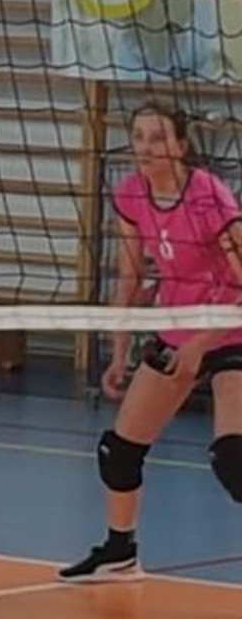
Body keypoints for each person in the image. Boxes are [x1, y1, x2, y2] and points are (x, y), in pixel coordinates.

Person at [59, 101, 242, 583]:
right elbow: (130, 277)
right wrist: (118, 354)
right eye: (138, 137)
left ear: (181, 145)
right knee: (117, 451)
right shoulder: (131, 192)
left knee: (234, 460)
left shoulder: (209, 196)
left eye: (158, 138)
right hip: (176, 328)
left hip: (231, 327)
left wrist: (202, 344)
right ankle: (120, 554)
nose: (145, 148)